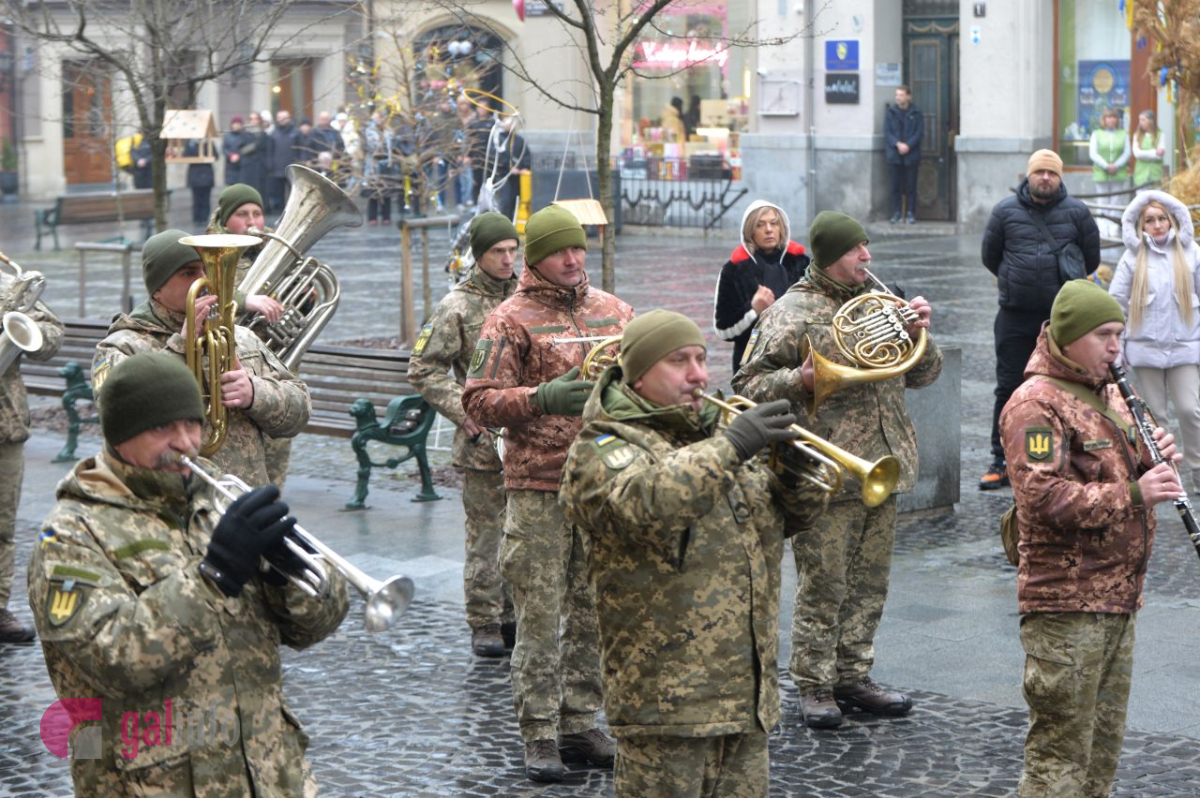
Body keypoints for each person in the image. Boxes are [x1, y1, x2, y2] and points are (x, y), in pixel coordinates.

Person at [29, 352, 349, 795]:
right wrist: (213, 577)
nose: (185, 442)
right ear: (121, 435)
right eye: (162, 428)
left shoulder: (217, 497)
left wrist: (287, 578)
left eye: (192, 424)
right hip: (152, 782)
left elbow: (314, 626)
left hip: (272, 774)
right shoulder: (69, 534)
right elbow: (110, 660)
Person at [560, 310, 829, 796]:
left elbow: (790, 521)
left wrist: (794, 473)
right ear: (638, 375)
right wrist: (731, 446)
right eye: (678, 361)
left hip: (745, 700)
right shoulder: (601, 446)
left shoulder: (717, 431)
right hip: (667, 707)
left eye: (702, 359)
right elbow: (649, 502)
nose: (699, 375)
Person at [733, 210, 943, 729]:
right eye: (856, 250)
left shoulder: (881, 304)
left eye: (867, 247)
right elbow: (746, 386)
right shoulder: (790, 312)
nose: (867, 257)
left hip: (882, 463)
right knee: (823, 582)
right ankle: (814, 682)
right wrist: (800, 380)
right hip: (826, 469)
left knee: (871, 583)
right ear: (830, 257)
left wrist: (921, 334)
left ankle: (854, 674)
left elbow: (924, 375)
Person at [462, 205, 633, 783]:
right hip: (538, 488)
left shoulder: (615, 311)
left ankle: (581, 721)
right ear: (534, 256)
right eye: (561, 250)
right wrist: (538, 399)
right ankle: (538, 732)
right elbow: (478, 400)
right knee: (539, 615)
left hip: (604, 482)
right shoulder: (507, 319)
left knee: (592, 612)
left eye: (579, 248)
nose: (573, 258)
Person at [1000, 279, 1182, 796]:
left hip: (1117, 599)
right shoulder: (1034, 406)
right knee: (1059, 758)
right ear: (1070, 336)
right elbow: (1041, 498)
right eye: (1104, 334)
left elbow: (1123, 463)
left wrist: (1152, 456)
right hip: (1066, 605)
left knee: (1101, 752)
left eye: (1119, 334)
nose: (1115, 347)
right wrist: (1135, 492)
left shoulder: (1111, 392)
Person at [92, 229, 311, 488]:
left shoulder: (239, 336)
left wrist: (254, 392)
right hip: (168, 507)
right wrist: (180, 347)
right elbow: (119, 418)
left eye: (205, 270)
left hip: (243, 500)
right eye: (188, 273)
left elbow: (300, 410)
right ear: (157, 288)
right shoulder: (121, 346)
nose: (204, 282)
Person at [408, 213, 520, 657]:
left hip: (528, 437)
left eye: (513, 250)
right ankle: (486, 620)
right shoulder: (457, 305)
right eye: (498, 252)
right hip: (482, 445)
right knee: (486, 535)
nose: (509, 259)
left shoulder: (528, 297)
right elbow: (423, 367)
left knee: (525, 531)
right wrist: (462, 410)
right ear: (479, 255)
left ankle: (517, 614)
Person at [980, 149, 1102, 489]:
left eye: (1051, 173)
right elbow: (991, 256)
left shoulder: (1077, 213)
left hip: (1062, 321)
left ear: (1060, 178)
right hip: (1015, 316)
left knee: (1068, 387)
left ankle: (1069, 460)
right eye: (1039, 173)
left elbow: (1091, 259)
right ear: (1028, 175)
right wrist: (1012, 280)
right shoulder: (1004, 212)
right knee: (1008, 387)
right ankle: (1001, 459)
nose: (1045, 178)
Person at [1108, 190, 1200, 492]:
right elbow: (1117, 304)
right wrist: (1116, 349)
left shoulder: (1191, 253)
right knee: (1155, 418)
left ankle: (1198, 469)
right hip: (1145, 351)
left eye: (1162, 218)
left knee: (1190, 410)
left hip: (1185, 348)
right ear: (1141, 225)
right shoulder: (1132, 258)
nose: (1157, 224)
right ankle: (1168, 474)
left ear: (1172, 220)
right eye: (1150, 220)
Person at [0, 272, 63, 642]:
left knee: (2, 525)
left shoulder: (9, 284)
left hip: (3, 425)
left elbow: (51, 332)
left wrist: (25, 336)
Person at [713, 200, 810, 373]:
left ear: (782, 227)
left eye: (774, 223)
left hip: (797, 365)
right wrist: (752, 310)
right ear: (750, 231)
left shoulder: (801, 263)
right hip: (752, 366)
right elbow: (724, 330)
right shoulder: (734, 270)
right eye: (760, 225)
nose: (769, 229)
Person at [884, 85, 923, 224]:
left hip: (911, 155)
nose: (898, 98)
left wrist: (908, 145)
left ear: (908, 96)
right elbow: (887, 132)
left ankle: (911, 212)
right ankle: (897, 212)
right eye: (897, 95)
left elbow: (919, 133)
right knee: (896, 186)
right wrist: (898, 144)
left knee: (910, 186)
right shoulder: (891, 112)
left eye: (901, 95)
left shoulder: (916, 113)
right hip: (894, 156)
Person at [1089, 107, 1131, 194]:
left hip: (1118, 173)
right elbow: (1093, 153)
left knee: (1116, 202)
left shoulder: (1123, 134)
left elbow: (1127, 153)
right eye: (1108, 117)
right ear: (1104, 119)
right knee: (1102, 203)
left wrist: (1116, 165)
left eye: (1114, 117)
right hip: (1101, 173)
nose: (1111, 120)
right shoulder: (1096, 133)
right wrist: (1106, 166)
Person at [267, 110, 298, 213]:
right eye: (279, 118)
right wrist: (270, 165)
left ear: (289, 118)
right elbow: (270, 151)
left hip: (293, 168)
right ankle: (279, 212)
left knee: (293, 191)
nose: (281, 120)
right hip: (277, 168)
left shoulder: (296, 132)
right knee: (278, 192)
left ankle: (292, 211)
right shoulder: (273, 133)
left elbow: (301, 149)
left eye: (284, 117)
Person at [184, 139, 217, 226]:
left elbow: (216, 156)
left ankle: (204, 219)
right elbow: (185, 155)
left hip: (207, 174)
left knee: (206, 199)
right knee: (196, 199)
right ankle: (197, 219)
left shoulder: (209, 143)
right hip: (195, 175)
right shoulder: (190, 144)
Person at [1133, 109, 1166, 189]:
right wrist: (1155, 152)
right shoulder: (1137, 135)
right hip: (1141, 175)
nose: (1141, 122)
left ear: (1151, 121)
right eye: (1140, 120)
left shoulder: (1160, 134)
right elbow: (1137, 154)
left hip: (1156, 174)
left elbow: (1161, 155)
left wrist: (1144, 153)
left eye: (1143, 120)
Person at [240, 111, 270, 199]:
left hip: (260, 167)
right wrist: (255, 145)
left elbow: (267, 150)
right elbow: (241, 150)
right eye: (251, 119)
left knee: (260, 191)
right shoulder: (244, 134)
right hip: (248, 167)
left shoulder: (264, 134)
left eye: (256, 119)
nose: (253, 121)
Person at [222, 116, 250, 186]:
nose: (236, 125)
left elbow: (247, 148)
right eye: (234, 123)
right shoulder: (227, 136)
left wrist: (239, 156)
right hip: (230, 167)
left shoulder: (246, 136)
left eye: (238, 123)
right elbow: (224, 148)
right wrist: (230, 155)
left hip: (242, 166)